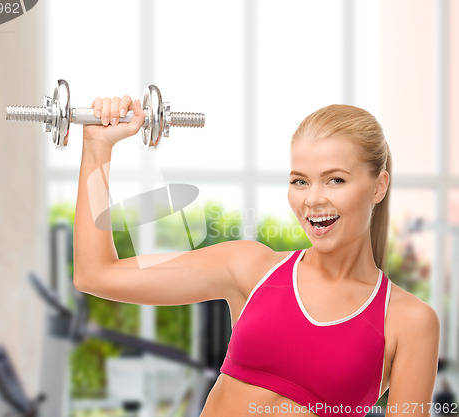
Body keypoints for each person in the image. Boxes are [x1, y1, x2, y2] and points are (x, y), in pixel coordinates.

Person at [73, 95, 440, 417]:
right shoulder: (251, 268)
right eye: (300, 180)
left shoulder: (408, 321)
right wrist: (96, 147)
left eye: (335, 180)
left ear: (378, 186)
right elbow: (95, 274)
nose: (313, 199)